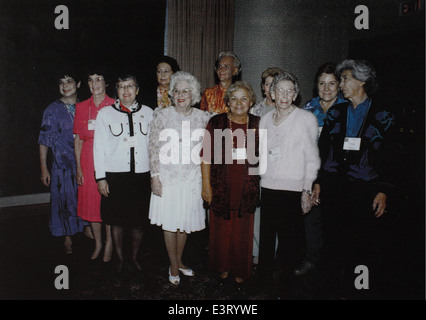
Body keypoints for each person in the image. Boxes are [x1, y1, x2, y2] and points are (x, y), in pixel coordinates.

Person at [317, 59, 396, 298]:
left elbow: (392, 156)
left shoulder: (382, 114)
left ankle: (358, 292)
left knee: (363, 247)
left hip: (365, 192)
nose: (341, 84)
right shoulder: (336, 113)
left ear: (362, 81)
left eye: (345, 79)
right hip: (334, 190)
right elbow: (322, 150)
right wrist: (318, 181)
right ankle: (330, 291)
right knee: (332, 245)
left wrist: (384, 190)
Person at [258, 72, 320, 295]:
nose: (284, 95)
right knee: (266, 240)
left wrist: (306, 189)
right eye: (280, 90)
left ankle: (284, 286)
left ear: (296, 94)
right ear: (272, 93)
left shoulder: (306, 119)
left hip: (293, 190)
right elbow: (263, 155)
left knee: (289, 244)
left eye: (290, 90)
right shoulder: (265, 119)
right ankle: (263, 283)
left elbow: (312, 158)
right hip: (268, 188)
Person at [149, 71, 211, 285]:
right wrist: (155, 176)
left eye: (186, 91)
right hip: (167, 178)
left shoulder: (204, 118)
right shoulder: (161, 115)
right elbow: (153, 147)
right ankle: (174, 266)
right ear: (171, 94)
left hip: (192, 178)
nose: (181, 95)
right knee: (170, 222)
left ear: (193, 93)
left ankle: (179, 260)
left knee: (184, 223)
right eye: (177, 91)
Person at [201, 81, 260, 284]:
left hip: (247, 186)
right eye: (234, 98)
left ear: (251, 101)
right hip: (220, 185)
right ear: (227, 101)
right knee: (221, 230)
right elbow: (206, 157)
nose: (239, 103)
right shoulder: (216, 123)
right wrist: (206, 186)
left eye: (244, 98)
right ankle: (222, 267)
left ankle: (240, 270)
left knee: (243, 232)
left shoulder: (258, 124)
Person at [93, 74, 153, 273]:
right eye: (121, 87)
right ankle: (119, 259)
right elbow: (98, 148)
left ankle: (134, 258)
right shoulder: (105, 114)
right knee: (117, 221)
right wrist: (100, 178)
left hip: (141, 176)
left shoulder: (149, 113)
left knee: (138, 223)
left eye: (130, 86)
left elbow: (154, 147)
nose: (126, 90)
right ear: (116, 91)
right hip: (115, 176)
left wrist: (154, 176)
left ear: (137, 90)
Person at [294, 62, 346, 276]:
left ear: (339, 86)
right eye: (322, 83)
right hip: (309, 173)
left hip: (336, 176)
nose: (326, 88)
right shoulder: (308, 108)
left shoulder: (347, 109)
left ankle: (334, 266)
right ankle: (312, 260)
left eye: (332, 83)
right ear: (316, 85)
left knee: (335, 223)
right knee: (310, 220)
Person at [38, 71, 87, 254]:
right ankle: (67, 238)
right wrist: (44, 168)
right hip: (62, 166)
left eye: (69, 81)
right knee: (65, 202)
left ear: (79, 84)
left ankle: (86, 229)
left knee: (83, 200)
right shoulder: (52, 109)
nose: (65, 85)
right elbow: (44, 140)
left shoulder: (86, 106)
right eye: (61, 82)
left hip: (85, 164)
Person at [73, 68, 115, 262]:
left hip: (109, 159)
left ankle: (110, 244)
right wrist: (79, 168)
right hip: (88, 160)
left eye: (99, 79)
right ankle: (98, 243)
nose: (95, 83)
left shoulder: (115, 105)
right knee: (92, 205)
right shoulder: (81, 107)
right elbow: (78, 140)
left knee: (107, 202)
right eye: (91, 80)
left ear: (106, 83)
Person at [249, 67, 284, 266]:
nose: (271, 88)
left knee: (277, 213)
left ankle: (274, 253)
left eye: (275, 84)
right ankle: (257, 252)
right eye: (268, 84)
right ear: (263, 88)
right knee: (257, 211)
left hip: (280, 169)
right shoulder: (255, 110)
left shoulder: (286, 110)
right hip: (258, 167)